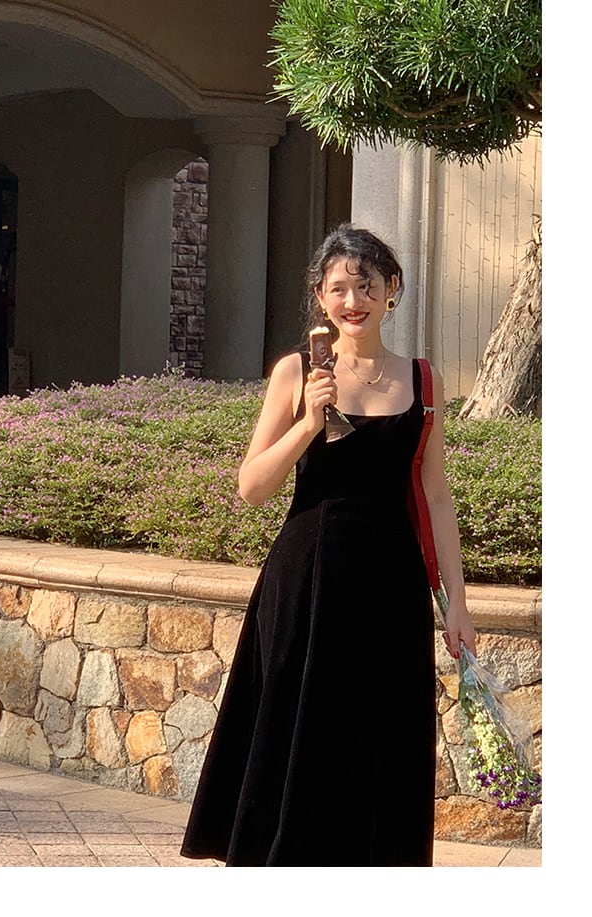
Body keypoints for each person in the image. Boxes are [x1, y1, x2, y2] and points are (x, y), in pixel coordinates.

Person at [179, 223, 477, 867]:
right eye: (339, 288)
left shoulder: (422, 380)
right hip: (306, 582)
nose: (353, 301)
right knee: (298, 733)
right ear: (320, 297)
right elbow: (252, 487)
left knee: (382, 738)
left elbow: (436, 495)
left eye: (367, 286)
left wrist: (457, 602)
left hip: (391, 588)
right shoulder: (295, 372)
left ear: (392, 289)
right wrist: (308, 423)